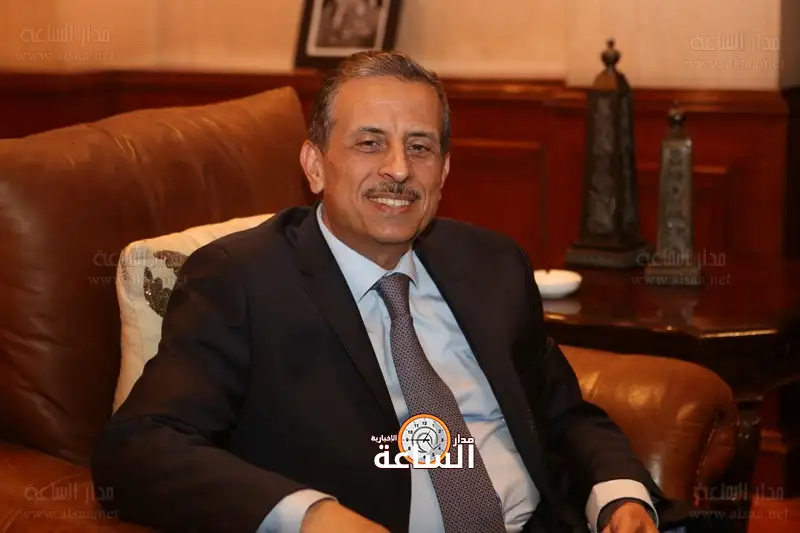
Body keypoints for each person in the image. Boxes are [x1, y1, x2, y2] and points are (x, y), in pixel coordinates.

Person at [92, 51, 708, 533]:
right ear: (314, 165)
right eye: (369, 143)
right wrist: (310, 516)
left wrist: (620, 496)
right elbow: (140, 448)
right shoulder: (241, 280)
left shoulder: (491, 264)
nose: (398, 169)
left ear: (443, 171)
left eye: (420, 146)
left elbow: (563, 413)